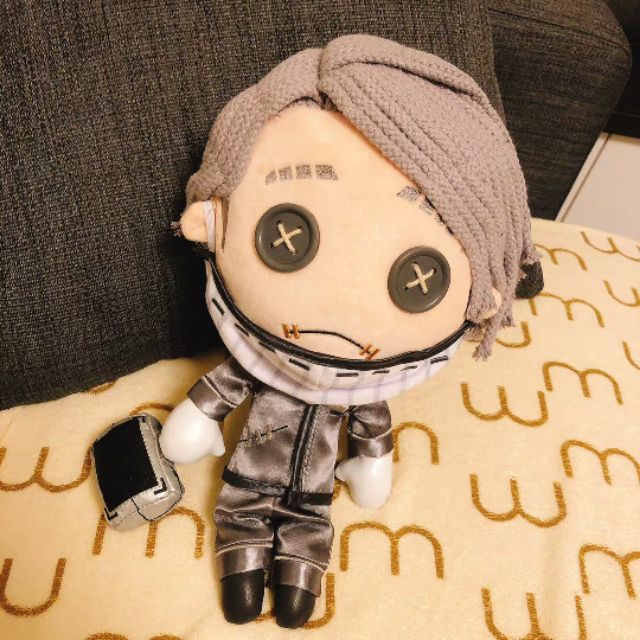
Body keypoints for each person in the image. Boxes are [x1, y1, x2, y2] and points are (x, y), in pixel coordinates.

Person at [159, 33, 543, 628]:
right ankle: (240, 551)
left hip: (315, 497)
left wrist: (368, 467)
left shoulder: (365, 395)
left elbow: (371, 432)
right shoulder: (257, 366)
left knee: (309, 523)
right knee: (243, 511)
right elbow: (224, 389)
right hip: (245, 480)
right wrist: (195, 425)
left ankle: (300, 567)